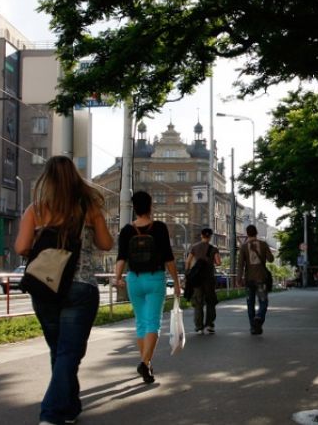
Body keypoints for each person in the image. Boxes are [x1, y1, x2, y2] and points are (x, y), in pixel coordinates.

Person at [14, 155, 113, 425]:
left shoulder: (35, 209)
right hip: (81, 288)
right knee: (68, 353)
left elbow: (21, 248)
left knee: (59, 351)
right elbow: (106, 243)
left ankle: (69, 407)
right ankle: (53, 414)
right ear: (74, 178)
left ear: (48, 179)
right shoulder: (88, 208)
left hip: (44, 287)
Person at [114, 191, 181, 384]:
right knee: (153, 323)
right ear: (150, 206)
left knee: (141, 323)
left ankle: (147, 366)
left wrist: (117, 278)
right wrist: (176, 283)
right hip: (154, 279)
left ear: (134, 208)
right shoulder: (159, 228)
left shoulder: (127, 230)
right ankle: (145, 362)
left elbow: (121, 258)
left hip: (133, 280)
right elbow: (169, 258)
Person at [236, 224, 274, 335]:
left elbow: (240, 265)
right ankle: (259, 317)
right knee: (263, 302)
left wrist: (239, 279)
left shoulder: (243, 247)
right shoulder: (263, 245)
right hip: (261, 279)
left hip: (249, 280)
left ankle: (253, 328)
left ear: (247, 234)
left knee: (250, 304)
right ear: (256, 232)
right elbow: (271, 259)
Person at [184, 228, 221, 334]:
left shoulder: (194, 247)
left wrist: (188, 273)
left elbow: (187, 262)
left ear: (201, 235)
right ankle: (210, 325)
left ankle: (199, 326)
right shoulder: (213, 248)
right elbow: (218, 262)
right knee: (210, 301)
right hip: (209, 279)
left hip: (197, 280)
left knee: (198, 302)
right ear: (210, 237)